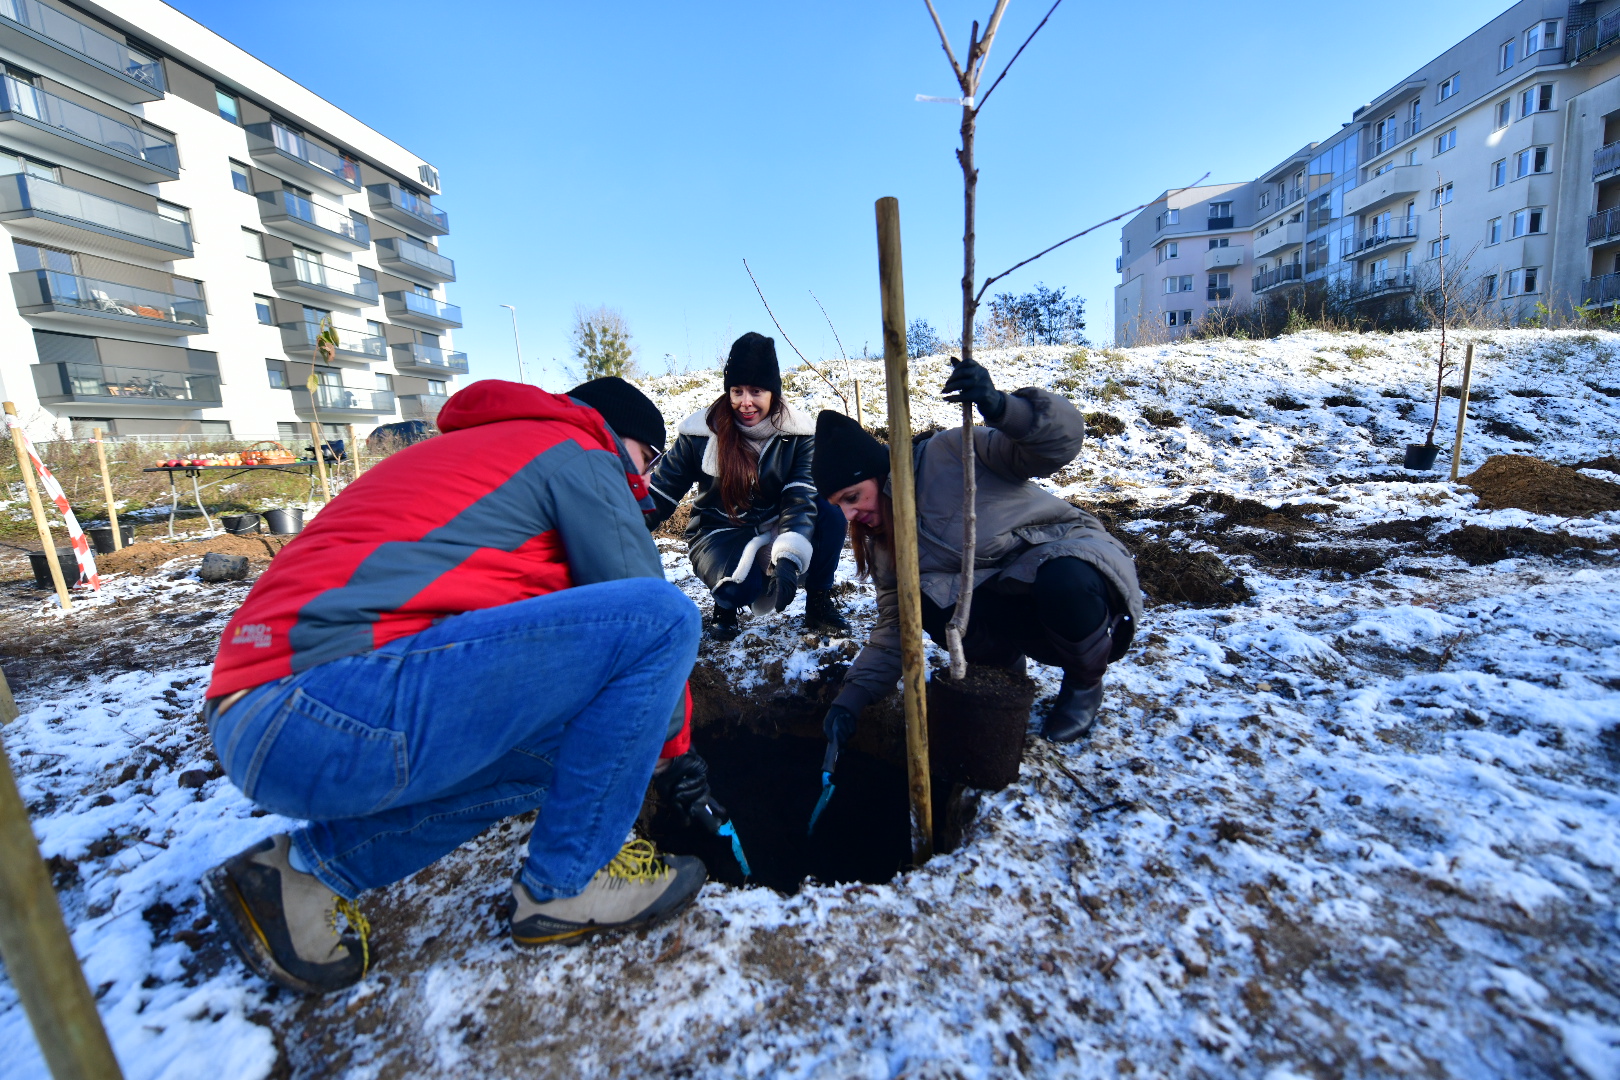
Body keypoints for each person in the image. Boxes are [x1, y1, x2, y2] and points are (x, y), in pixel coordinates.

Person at [200, 376, 726, 996]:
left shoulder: (482, 461)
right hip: (323, 702)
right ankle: (569, 885)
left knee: (565, 752)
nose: (643, 480)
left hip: (264, 719)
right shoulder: (578, 448)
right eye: (647, 459)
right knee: (665, 615)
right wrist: (676, 756)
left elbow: (580, 667)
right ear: (620, 438)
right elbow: (643, 614)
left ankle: (304, 875)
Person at [812, 357, 1142, 752]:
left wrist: (1004, 408)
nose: (851, 515)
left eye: (852, 497)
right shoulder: (883, 543)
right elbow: (895, 627)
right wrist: (851, 700)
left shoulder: (950, 452)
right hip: (1005, 603)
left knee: (1063, 579)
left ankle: (1084, 684)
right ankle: (1003, 675)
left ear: (880, 472)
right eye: (839, 506)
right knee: (924, 604)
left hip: (1067, 561)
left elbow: (1056, 447)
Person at [647, 331, 850, 640]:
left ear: (773, 393)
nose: (745, 402)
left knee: (830, 513)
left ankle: (818, 601)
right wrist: (625, 526)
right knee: (740, 588)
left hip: (776, 522)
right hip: (720, 528)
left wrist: (788, 554)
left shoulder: (798, 434)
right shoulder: (700, 432)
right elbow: (661, 491)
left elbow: (800, 495)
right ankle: (724, 603)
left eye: (756, 391)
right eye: (737, 391)